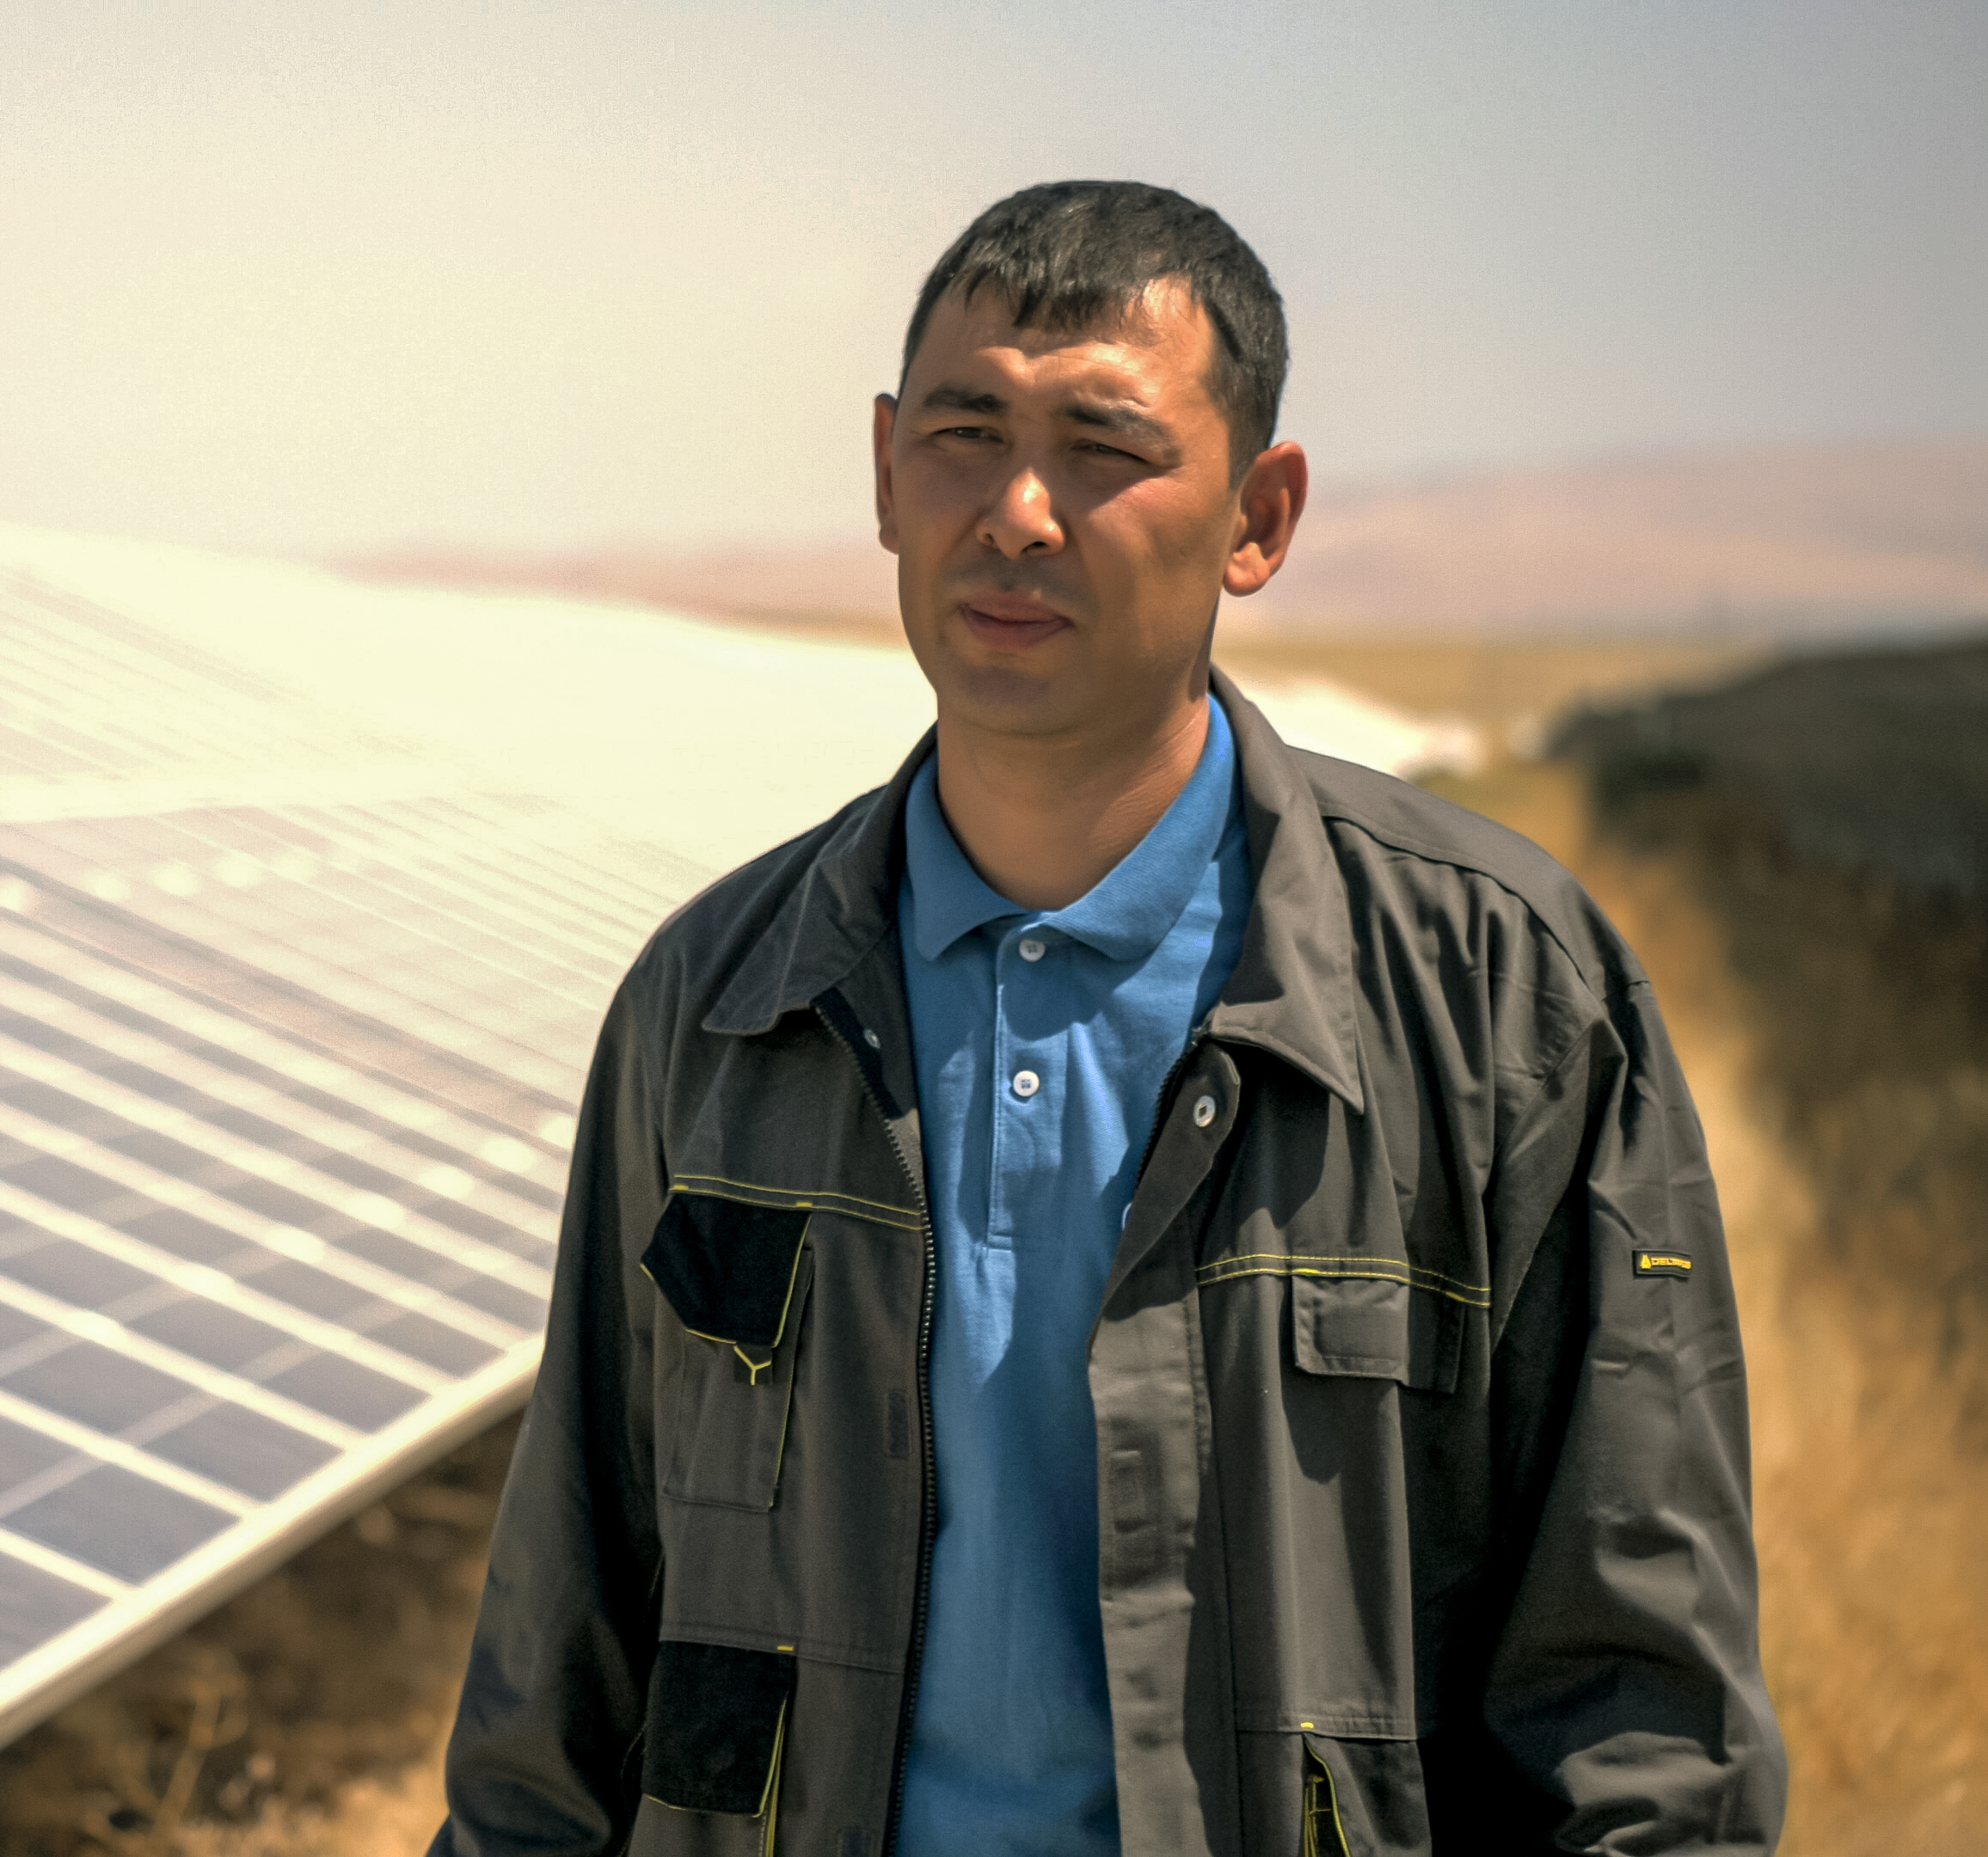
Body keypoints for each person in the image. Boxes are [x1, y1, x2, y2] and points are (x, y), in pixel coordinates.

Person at [425, 181, 1782, 1857]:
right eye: (962, 432)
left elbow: (1639, 1710)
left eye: (1104, 448)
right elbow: (559, 1691)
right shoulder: (711, 1010)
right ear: (880, 473)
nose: (1015, 510)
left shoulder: (1503, 997)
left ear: (1258, 516)